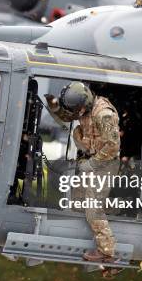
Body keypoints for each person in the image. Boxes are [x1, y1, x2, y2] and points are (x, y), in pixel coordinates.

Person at [45, 81, 121, 263]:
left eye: (78, 110)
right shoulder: (83, 107)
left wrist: (93, 164)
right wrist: (55, 107)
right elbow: (69, 116)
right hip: (93, 158)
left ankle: (107, 253)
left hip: (105, 162)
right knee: (77, 202)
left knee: (93, 209)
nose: (77, 114)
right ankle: (114, 207)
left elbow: (113, 146)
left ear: (85, 105)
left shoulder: (104, 115)